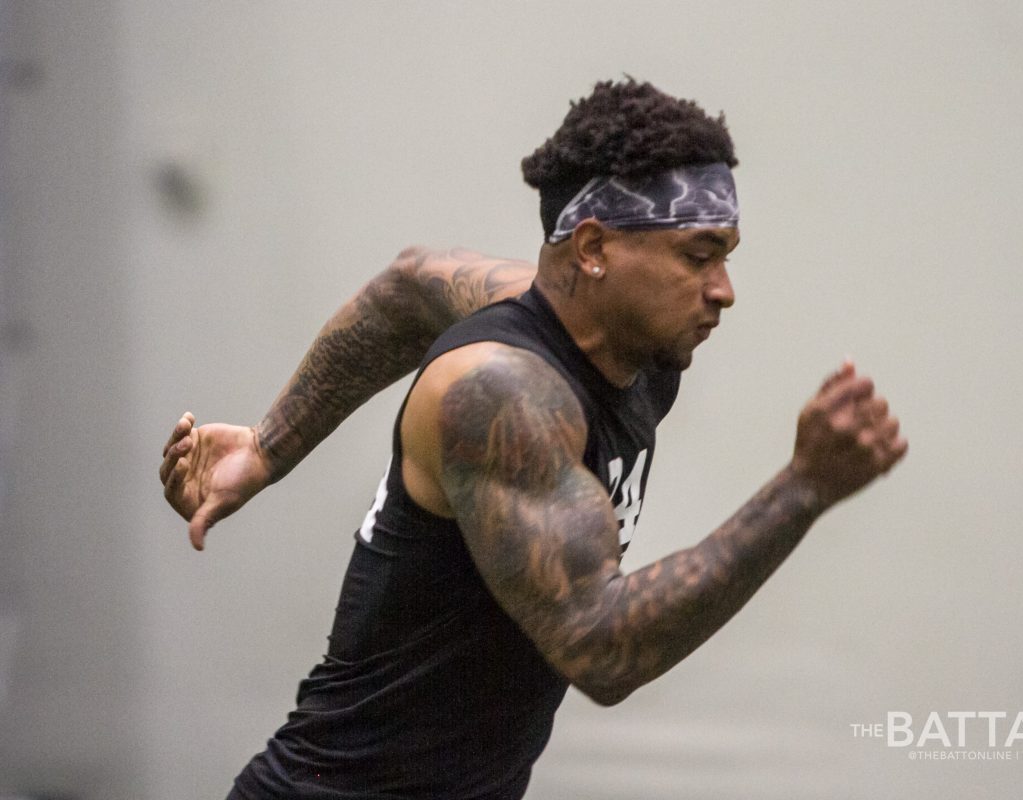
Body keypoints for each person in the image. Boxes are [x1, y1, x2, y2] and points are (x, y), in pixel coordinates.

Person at [159, 79, 907, 800]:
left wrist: (267, 447)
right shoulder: (500, 395)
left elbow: (410, 285)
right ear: (591, 248)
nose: (724, 289)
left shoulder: (626, 341)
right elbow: (601, 648)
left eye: (727, 255)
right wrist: (802, 489)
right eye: (697, 255)